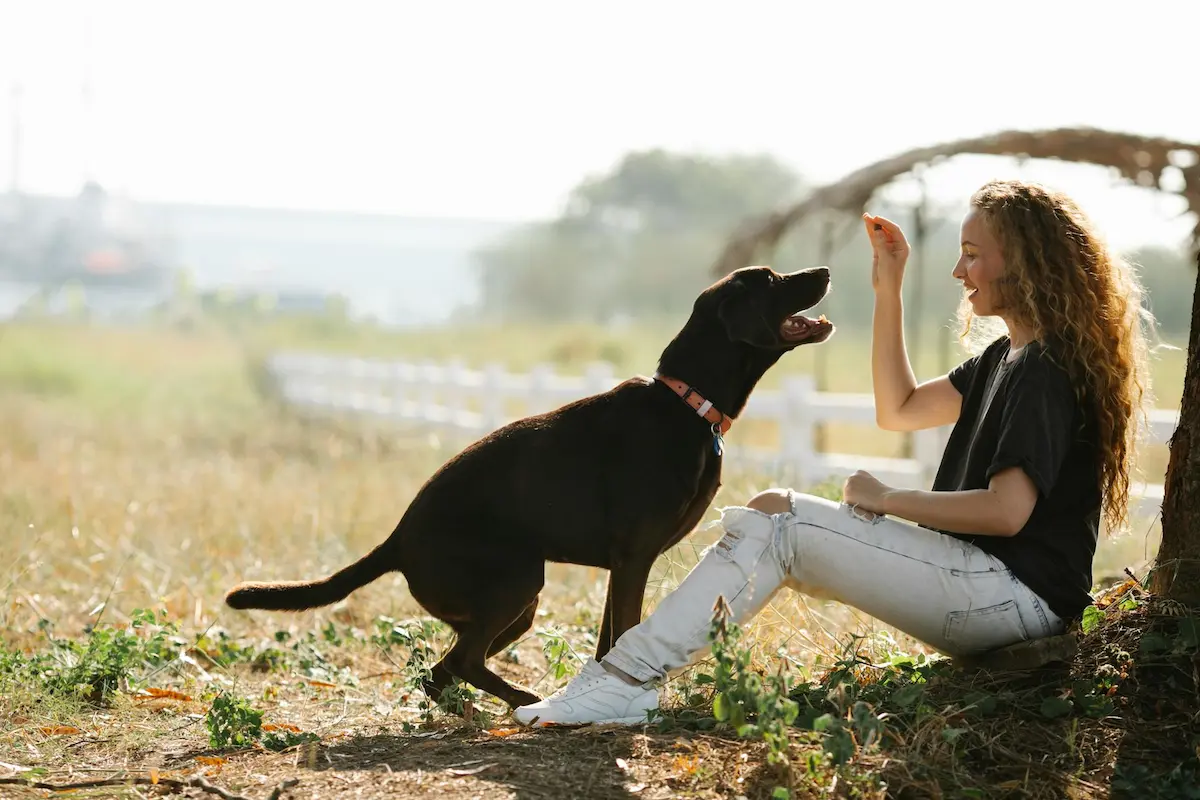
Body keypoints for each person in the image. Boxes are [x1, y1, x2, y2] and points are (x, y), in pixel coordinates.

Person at [512, 179, 1152, 727]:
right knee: (774, 512)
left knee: (782, 523)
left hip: (1014, 600)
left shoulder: (1043, 370)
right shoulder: (1004, 357)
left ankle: (621, 682)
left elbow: (1007, 512)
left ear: (1029, 262)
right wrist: (888, 289)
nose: (960, 272)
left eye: (972, 255)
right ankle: (622, 679)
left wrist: (887, 499)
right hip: (989, 589)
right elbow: (899, 408)